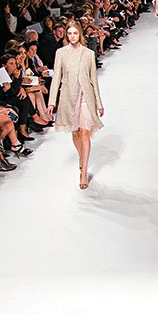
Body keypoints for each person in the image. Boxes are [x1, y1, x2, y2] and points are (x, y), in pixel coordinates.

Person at [46, 21, 104, 190]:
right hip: (68, 96)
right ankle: (81, 157)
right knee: (75, 133)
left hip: (86, 96)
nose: (72, 36)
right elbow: (56, 78)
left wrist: (99, 103)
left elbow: (94, 80)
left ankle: (84, 172)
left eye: (75, 33)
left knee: (85, 132)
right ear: (66, 35)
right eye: (69, 33)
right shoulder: (61, 53)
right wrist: (51, 101)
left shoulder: (88, 54)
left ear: (80, 34)